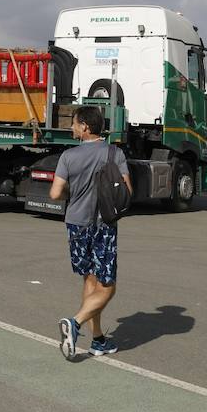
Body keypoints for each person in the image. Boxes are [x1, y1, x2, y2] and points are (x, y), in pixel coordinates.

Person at [50, 104, 131, 361]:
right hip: (103, 224)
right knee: (107, 287)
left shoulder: (68, 157)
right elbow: (127, 190)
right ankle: (75, 322)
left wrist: (73, 196)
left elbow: (54, 193)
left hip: (76, 223)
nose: (72, 127)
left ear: (85, 127)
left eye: (74, 123)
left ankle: (97, 340)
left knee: (90, 280)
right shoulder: (114, 153)